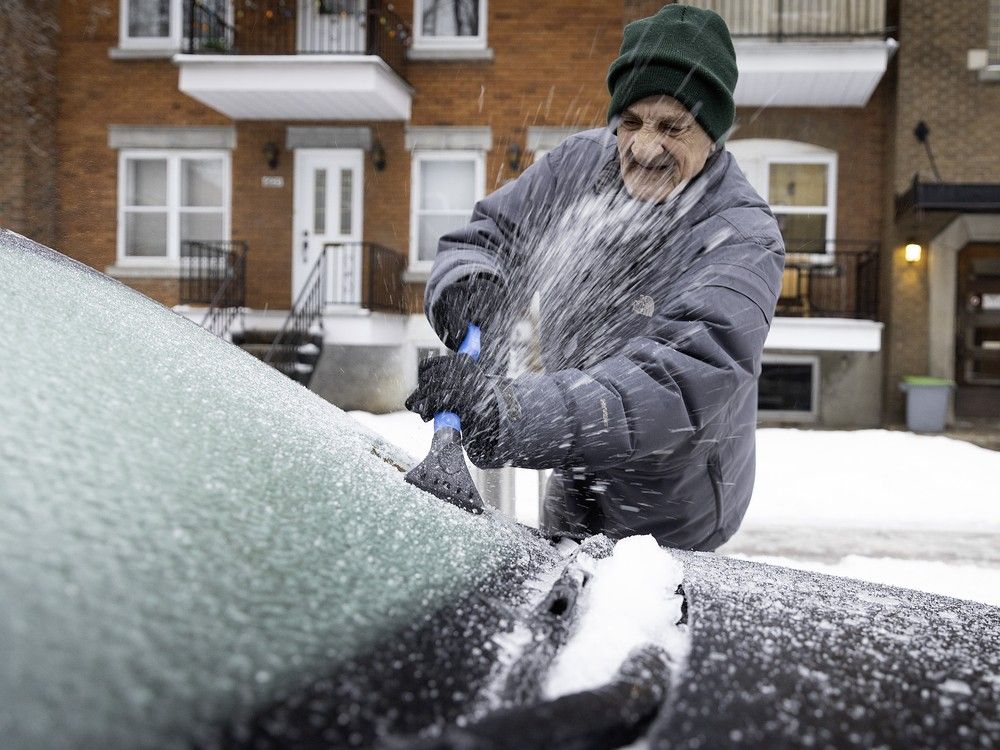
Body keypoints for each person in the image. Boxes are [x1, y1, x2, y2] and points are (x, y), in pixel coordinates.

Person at [405, 4, 785, 551]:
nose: (644, 146)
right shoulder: (580, 165)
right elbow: (489, 236)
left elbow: (674, 383)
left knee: (636, 623)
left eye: (672, 127)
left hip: (672, 506)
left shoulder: (742, 236)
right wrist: (473, 287)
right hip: (571, 464)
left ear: (713, 133)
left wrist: (508, 413)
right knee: (549, 599)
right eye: (630, 121)